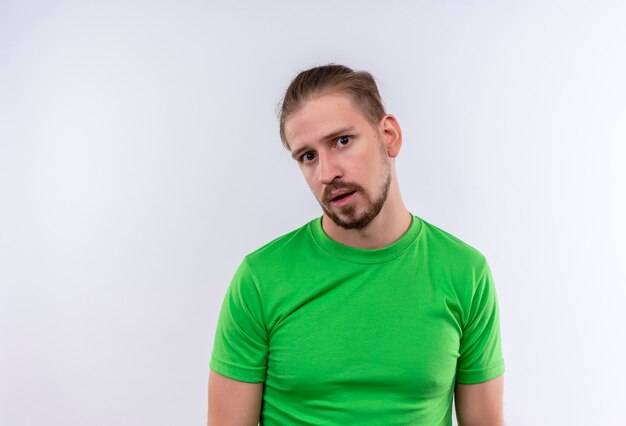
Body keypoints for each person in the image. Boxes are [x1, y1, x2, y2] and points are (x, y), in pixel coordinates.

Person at [208, 64, 505, 425]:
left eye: (342, 141)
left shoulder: (465, 272)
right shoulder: (260, 279)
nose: (326, 173)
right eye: (308, 156)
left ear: (389, 136)